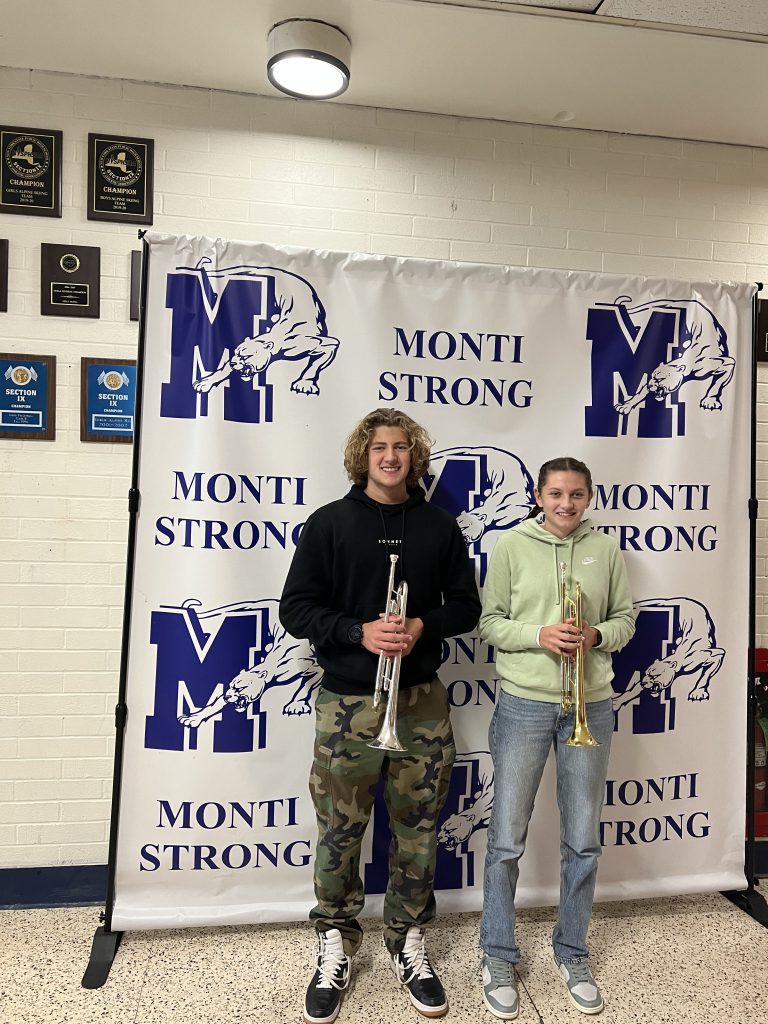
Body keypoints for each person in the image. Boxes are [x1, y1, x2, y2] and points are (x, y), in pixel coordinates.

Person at [280, 408, 481, 1024]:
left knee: (418, 831)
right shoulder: (329, 524)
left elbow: (467, 607)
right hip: (348, 704)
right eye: (379, 448)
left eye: (400, 448)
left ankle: (408, 941)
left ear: (414, 457)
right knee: (340, 832)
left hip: (420, 703)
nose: (390, 457)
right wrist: (355, 632)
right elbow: (296, 608)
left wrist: (422, 624)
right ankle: (335, 941)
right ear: (362, 457)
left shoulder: (439, 528)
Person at [477, 457, 635, 1019]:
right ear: (538, 495)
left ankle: (572, 950)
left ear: (589, 497)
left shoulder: (606, 550)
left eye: (577, 495)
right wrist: (539, 634)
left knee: (582, 839)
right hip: (524, 704)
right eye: (556, 494)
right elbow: (489, 622)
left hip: (590, 704)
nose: (566, 504)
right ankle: (497, 954)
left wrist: (596, 633)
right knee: (505, 840)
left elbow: (627, 619)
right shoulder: (511, 547)